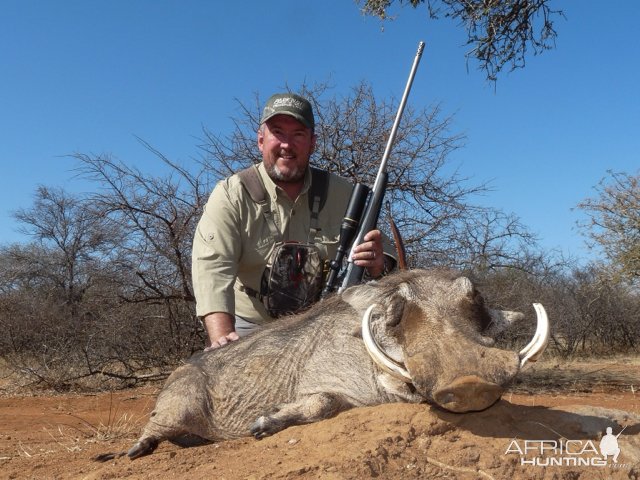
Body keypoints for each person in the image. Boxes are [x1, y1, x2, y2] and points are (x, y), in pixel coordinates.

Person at [192, 92, 395, 349]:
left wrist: (379, 263)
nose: (287, 144)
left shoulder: (343, 193)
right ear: (261, 140)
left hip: (321, 322)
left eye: (298, 134)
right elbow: (212, 268)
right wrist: (222, 337)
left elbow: (384, 255)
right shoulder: (231, 194)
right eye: (278, 132)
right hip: (251, 325)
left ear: (312, 143)